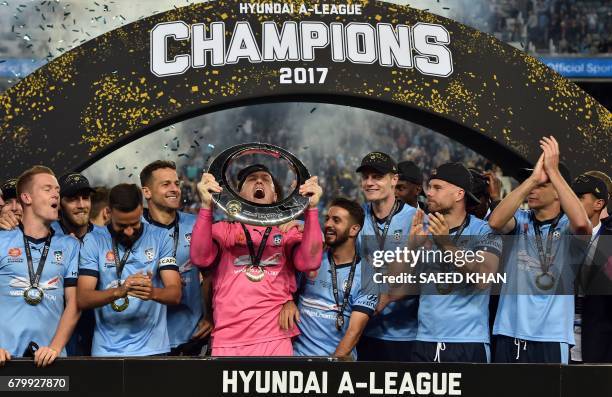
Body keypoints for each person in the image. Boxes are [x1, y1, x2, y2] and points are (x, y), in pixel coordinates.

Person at [191, 164, 323, 356]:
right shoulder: (223, 230)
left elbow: (310, 262)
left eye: (266, 179)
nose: (259, 180)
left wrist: (311, 209)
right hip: (227, 340)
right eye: (252, 178)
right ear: (239, 193)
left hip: (275, 340)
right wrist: (205, 205)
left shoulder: (287, 231)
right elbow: (200, 258)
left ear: (275, 195)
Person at [488, 136, 591, 364]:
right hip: (509, 331)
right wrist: (534, 179)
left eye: (542, 185)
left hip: (551, 336)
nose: (534, 190)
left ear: (558, 192)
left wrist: (553, 172)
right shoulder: (520, 220)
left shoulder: (568, 228)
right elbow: (495, 222)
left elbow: (583, 225)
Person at [410, 163, 502, 363]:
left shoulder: (484, 231)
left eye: (437, 188)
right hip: (424, 341)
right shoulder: (422, 229)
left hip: (467, 342)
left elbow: (484, 278)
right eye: (429, 187)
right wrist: (410, 248)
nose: (429, 193)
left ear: (459, 194)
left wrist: (446, 245)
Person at [77, 183, 182, 356]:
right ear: (108, 213)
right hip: (106, 351)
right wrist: (120, 291)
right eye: (121, 225)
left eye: (134, 224)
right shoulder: (93, 241)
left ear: (141, 210)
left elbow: (175, 293)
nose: (128, 231)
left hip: (153, 350)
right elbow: (83, 298)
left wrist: (152, 293)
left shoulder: (160, 237)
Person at [0, 166, 80, 367]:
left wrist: (55, 347)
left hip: (50, 358)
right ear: (27, 198)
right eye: (48, 189)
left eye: (58, 190)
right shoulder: (2, 241)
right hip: (5, 358)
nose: (56, 194)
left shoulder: (70, 246)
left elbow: (74, 303)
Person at [140, 160, 212, 356]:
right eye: (165, 184)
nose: (174, 189)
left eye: (176, 183)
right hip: (147, 339)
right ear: (147, 192)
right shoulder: (134, 229)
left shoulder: (197, 224)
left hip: (193, 336)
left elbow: (212, 275)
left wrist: (211, 317)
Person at [292, 198, 377, 359]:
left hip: (336, 362)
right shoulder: (312, 259)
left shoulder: (368, 275)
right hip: (297, 358)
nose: (328, 224)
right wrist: (288, 302)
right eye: (327, 219)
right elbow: (286, 291)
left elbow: (354, 331)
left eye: (336, 220)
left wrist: (330, 367)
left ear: (354, 229)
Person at [354, 152, 418, 361]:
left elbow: (424, 278)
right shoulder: (356, 217)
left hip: (403, 335)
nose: (369, 183)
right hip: (362, 329)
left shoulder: (416, 220)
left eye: (377, 177)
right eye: (366, 177)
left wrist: (387, 295)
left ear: (394, 179)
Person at [573, 173, 612, 363]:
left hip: (598, 340)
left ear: (599, 204)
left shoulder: (609, 239)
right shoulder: (556, 233)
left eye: (580, 197)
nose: (572, 201)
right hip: (560, 337)